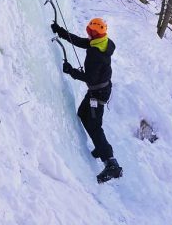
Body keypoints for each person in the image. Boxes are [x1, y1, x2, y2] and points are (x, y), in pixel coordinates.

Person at [51, 18, 122, 183]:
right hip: (100, 90)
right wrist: (61, 31)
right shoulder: (103, 42)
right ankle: (100, 147)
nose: (87, 34)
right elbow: (82, 42)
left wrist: (71, 71)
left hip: (98, 93)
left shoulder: (95, 54)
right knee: (83, 114)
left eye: (89, 31)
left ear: (94, 33)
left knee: (95, 125)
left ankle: (111, 162)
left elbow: (89, 77)